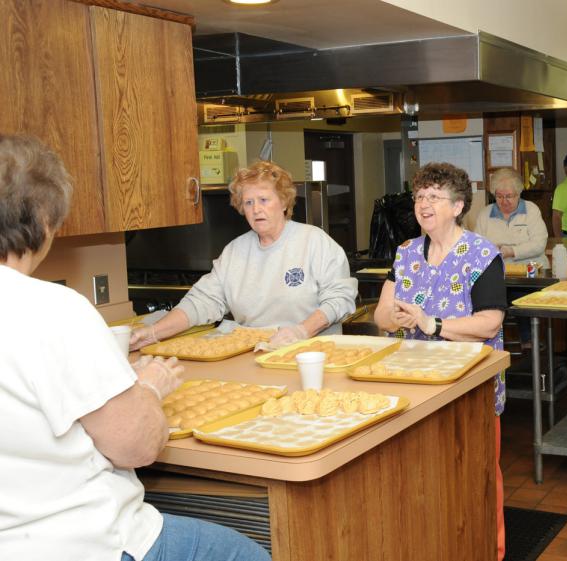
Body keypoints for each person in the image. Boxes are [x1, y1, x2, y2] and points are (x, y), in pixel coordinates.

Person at [0, 134, 270, 560]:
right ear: (45, 220)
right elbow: (137, 446)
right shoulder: (53, 310)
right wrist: (147, 386)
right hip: (82, 543)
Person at [373, 162, 507, 560]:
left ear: (457, 205)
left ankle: (491, 550)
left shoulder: (482, 253)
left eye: (435, 196)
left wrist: (433, 323)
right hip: (413, 385)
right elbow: (380, 314)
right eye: (420, 196)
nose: (424, 204)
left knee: (478, 477)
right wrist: (393, 317)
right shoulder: (405, 252)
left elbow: (490, 322)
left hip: (469, 387)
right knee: (422, 479)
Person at [130, 160, 357, 351]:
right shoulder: (234, 252)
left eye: (264, 200)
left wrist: (301, 330)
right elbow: (201, 301)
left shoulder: (314, 242)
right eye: (248, 202)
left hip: (313, 352)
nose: (256, 209)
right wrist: (151, 333)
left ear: (284, 201)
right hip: (254, 353)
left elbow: (340, 299)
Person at [474, 167, 549, 268]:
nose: (504, 201)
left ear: (518, 193)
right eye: (499, 196)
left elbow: (539, 244)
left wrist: (512, 251)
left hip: (532, 270)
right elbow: (476, 246)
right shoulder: (485, 214)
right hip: (498, 271)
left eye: (509, 196)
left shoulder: (531, 210)